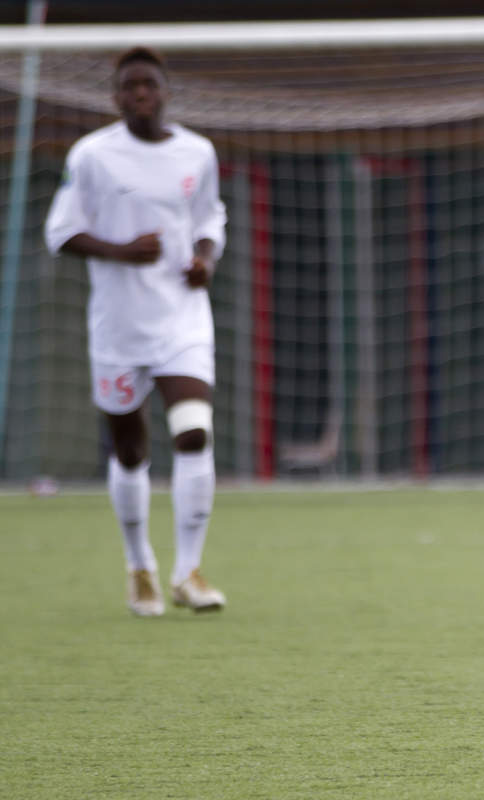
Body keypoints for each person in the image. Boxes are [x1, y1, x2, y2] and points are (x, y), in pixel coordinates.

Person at [44, 46, 228, 617]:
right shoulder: (93, 156)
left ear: (166, 90)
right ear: (116, 97)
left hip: (182, 316)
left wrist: (204, 258)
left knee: (194, 430)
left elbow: (208, 217)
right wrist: (120, 251)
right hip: (119, 326)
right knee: (130, 451)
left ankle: (188, 571)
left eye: (148, 83)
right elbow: (62, 231)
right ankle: (139, 565)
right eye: (129, 86)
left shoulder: (198, 152)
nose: (139, 93)